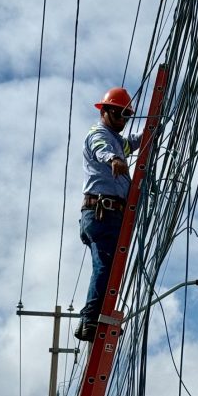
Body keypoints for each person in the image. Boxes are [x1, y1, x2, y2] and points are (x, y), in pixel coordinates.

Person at [74, 87, 141, 342]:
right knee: (104, 266)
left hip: (108, 214)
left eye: (127, 116)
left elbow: (132, 142)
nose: (124, 120)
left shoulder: (116, 138)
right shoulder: (99, 135)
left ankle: (97, 317)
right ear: (106, 111)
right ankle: (90, 319)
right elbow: (102, 149)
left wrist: (155, 128)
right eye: (120, 114)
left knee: (109, 267)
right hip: (101, 212)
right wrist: (113, 159)